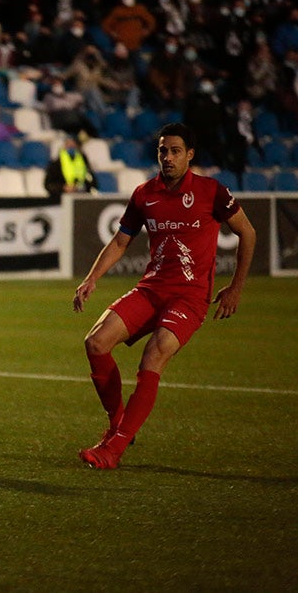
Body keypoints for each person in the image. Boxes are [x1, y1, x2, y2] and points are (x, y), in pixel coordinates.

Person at [72, 123, 256, 469]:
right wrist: (91, 278)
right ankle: (118, 424)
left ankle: (114, 450)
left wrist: (236, 287)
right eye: (162, 151)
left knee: (153, 355)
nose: (167, 157)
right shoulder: (144, 193)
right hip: (152, 288)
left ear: (189, 155)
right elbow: (121, 241)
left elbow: (247, 232)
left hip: (189, 297)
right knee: (95, 342)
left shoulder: (212, 191)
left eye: (174, 151)